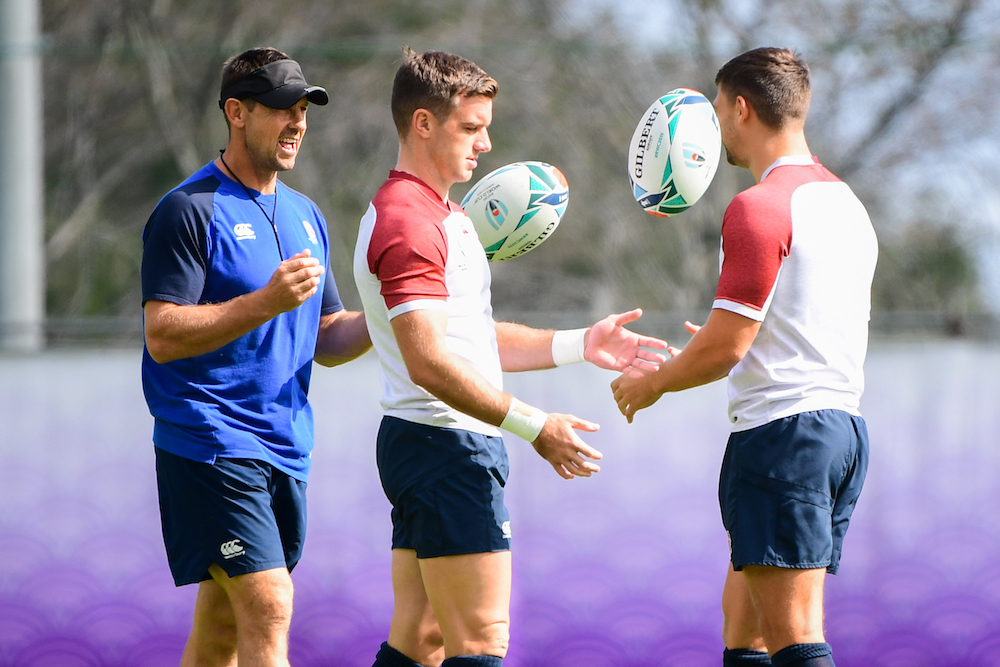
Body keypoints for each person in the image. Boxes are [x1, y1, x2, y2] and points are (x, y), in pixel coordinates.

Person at [354, 47, 668, 667]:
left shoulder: (445, 215)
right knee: (481, 643)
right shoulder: (408, 222)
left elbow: (468, 337)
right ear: (423, 123)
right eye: (471, 128)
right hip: (446, 446)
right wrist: (534, 425)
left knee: (421, 640)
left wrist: (583, 344)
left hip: (432, 444)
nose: (486, 144)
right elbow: (428, 362)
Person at [611, 47, 877, 667]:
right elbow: (766, 332)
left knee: (795, 638)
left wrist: (653, 383)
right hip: (840, 431)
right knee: (745, 630)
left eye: (717, 108)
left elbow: (726, 348)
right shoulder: (846, 202)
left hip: (785, 437)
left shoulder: (759, 206)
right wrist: (704, 345)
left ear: (740, 107)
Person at [140, 47, 370, 667]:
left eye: (302, 110)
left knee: (219, 630)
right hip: (211, 440)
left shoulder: (306, 214)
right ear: (236, 112)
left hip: (286, 444)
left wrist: (391, 313)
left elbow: (327, 339)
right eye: (279, 109)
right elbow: (162, 334)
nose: (296, 122)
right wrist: (263, 302)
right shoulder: (188, 209)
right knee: (269, 603)